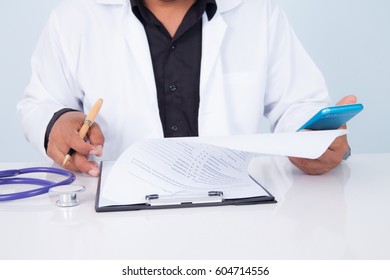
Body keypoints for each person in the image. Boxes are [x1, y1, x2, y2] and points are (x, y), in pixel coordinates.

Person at [17, 0, 356, 177]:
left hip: (233, 211)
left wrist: (313, 137)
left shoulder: (258, 11)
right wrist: (57, 122)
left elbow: (297, 102)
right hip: (115, 218)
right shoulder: (74, 16)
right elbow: (40, 103)